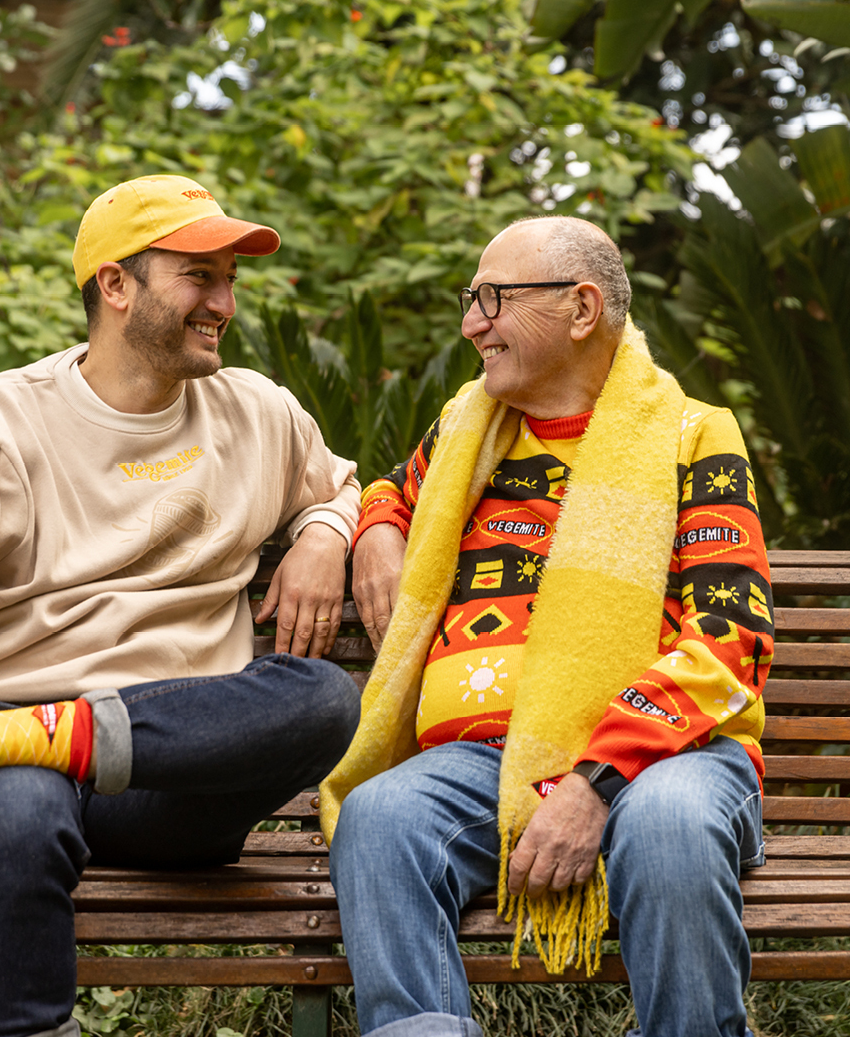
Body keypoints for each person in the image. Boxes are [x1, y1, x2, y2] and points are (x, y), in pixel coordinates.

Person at [0, 174, 363, 1037]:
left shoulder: (259, 413)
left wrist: (326, 529)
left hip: (168, 785)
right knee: (23, 808)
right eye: (198, 276)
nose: (223, 301)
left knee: (324, 700)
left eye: (230, 280)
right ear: (115, 285)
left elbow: (341, 485)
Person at [319, 215, 774, 1037]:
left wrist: (592, 781)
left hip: (669, 760)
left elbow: (730, 640)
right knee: (379, 818)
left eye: (493, 298)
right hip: (478, 764)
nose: (470, 324)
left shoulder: (692, 436)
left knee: (669, 825)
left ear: (581, 307)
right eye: (471, 299)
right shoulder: (466, 432)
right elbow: (387, 487)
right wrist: (379, 528)